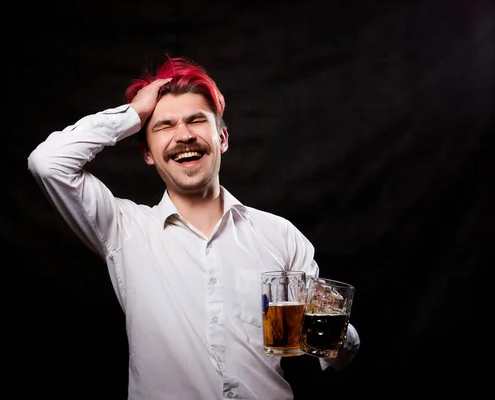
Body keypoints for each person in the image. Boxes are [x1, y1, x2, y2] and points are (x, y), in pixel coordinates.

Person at [27, 56, 360, 399]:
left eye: (196, 120)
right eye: (164, 126)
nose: (183, 135)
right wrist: (134, 114)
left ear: (222, 138)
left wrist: (336, 333)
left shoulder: (281, 235)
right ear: (147, 153)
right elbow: (48, 163)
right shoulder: (125, 230)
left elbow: (335, 357)